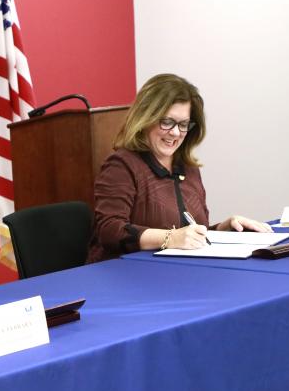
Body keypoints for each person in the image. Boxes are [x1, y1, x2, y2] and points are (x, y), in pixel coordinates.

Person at [87, 73, 272, 263]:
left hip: (181, 273)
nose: (175, 133)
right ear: (145, 118)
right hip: (126, 277)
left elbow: (188, 235)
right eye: (167, 122)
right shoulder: (122, 165)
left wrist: (225, 229)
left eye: (183, 124)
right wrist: (169, 238)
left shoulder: (188, 168)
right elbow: (110, 230)